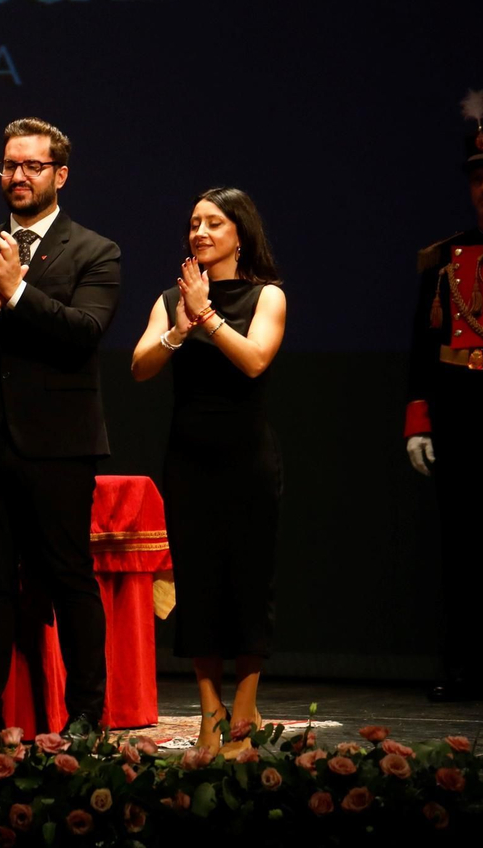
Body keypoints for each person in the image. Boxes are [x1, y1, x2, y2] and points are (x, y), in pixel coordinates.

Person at [0, 117, 120, 740]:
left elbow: (84, 333)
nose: (17, 176)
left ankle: (87, 712)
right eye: (9, 165)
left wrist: (16, 294)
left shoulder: (95, 250)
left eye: (32, 166)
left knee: (67, 577)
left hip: (58, 445)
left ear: (59, 175)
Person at [129, 188, 286, 752]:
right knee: (196, 586)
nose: (199, 232)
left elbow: (255, 361)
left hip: (246, 459)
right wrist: (178, 327)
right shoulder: (172, 297)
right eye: (194, 222)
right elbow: (140, 367)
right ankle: (209, 714)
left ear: (239, 233)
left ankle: (244, 713)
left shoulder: (266, 295)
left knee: (247, 581)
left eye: (214, 223)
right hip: (189, 459)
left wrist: (208, 317)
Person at [403, 93, 483, 703]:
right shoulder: (445, 259)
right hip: (461, 414)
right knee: (462, 551)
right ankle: (465, 665)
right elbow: (423, 345)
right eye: (479, 180)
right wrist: (420, 419)